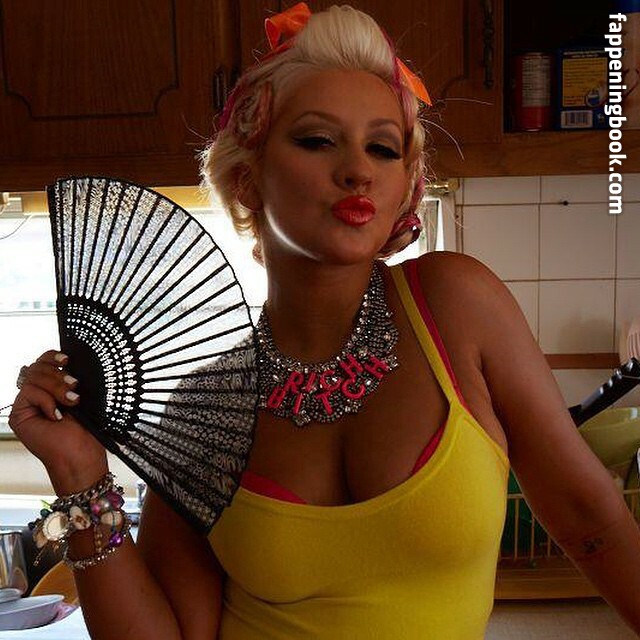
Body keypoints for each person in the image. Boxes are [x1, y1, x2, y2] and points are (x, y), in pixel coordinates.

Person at [8, 4, 640, 639]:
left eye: (383, 148)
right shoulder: (205, 406)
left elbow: (592, 523)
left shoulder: (456, 307)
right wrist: (81, 475)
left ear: (405, 187)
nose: (358, 170)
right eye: (317, 140)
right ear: (249, 178)